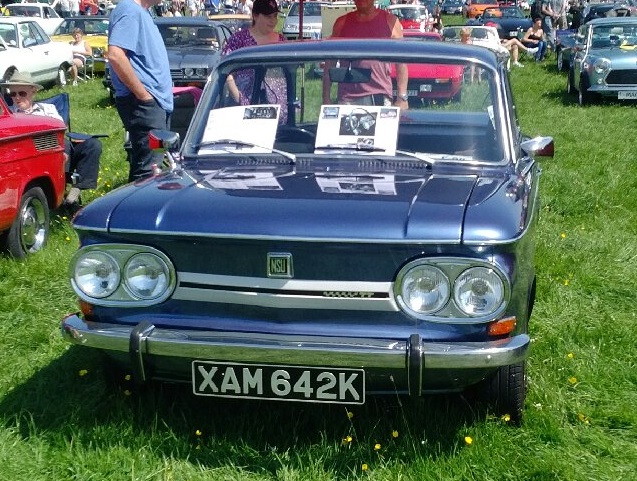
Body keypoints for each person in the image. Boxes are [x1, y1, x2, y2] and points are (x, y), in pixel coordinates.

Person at [1, 71, 101, 208]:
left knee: (92, 145)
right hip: (33, 158)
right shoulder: (10, 117)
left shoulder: (48, 109)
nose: (17, 98)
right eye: (13, 94)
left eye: (22, 93)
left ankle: (75, 191)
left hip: (59, 150)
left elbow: (59, 131)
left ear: (33, 91)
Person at [108, 0, 173, 182]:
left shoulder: (142, 12)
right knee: (148, 174)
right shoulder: (129, 9)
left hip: (154, 103)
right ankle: (140, 210)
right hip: (144, 104)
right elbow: (115, 55)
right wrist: (144, 96)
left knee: (155, 168)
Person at [322, 0, 408, 109]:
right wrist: (325, 97)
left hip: (379, 94)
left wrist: (402, 97)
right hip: (348, 98)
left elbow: (401, 62)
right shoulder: (341, 23)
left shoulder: (390, 22)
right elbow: (330, 63)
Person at [221, 0, 287, 122]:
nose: (273, 20)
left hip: (276, 103)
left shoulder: (281, 40)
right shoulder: (239, 39)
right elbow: (225, 66)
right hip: (245, 101)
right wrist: (237, 95)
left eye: (275, 16)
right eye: (268, 16)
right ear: (255, 16)